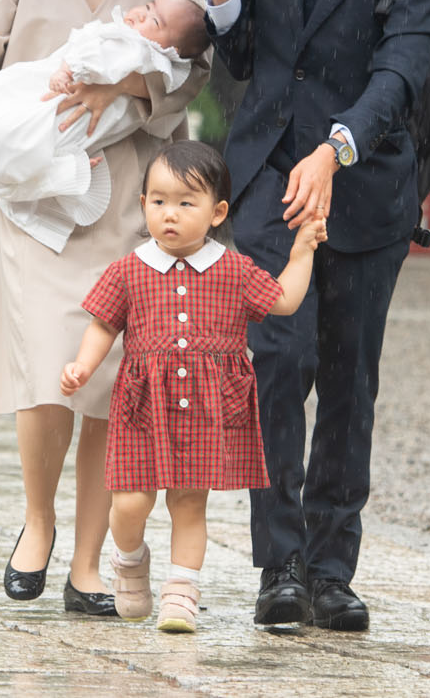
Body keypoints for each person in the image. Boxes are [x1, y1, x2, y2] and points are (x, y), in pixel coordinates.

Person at [190, 0, 430, 632]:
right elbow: (246, 59)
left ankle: (333, 567)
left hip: (367, 186)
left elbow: (404, 64)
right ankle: (280, 563)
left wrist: (337, 148)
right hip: (268, 180)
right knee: (279, 355)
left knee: (347, 375)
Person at [0, 0, 210, 616]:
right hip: (32, 205)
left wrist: (122, 85)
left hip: (127, 194)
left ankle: (89, 561)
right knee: (49, 370)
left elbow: (191, 71)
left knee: (110, 379)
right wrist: (12, 151)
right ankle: (36, 518)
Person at [59, 141, 324, 633]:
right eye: (158, 202)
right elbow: (102, 325)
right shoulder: (129, 269)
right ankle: (131, 558)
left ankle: (182, 592)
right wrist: (82, 365)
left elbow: (285, 300)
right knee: (130, 502)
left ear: (217, 211)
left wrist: (302, 250)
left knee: (188, 501)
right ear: (143, 206)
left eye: (186, 202)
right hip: (142, 407)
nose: (170, 215)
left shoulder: (234, 270)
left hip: (204, 410)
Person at [0, 0, 210, 252]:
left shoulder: (151, 57)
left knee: (43, 143)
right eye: (148, 6)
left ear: (171, 49)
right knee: (36, 136)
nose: (142, 15)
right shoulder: (123, 38)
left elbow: (181, 87)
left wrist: (119, 83)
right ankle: (50, 169)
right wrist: (69, 70)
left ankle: (56, 169)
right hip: (64, 101)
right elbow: (88, 46)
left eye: (154, 21)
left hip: (97, 135)